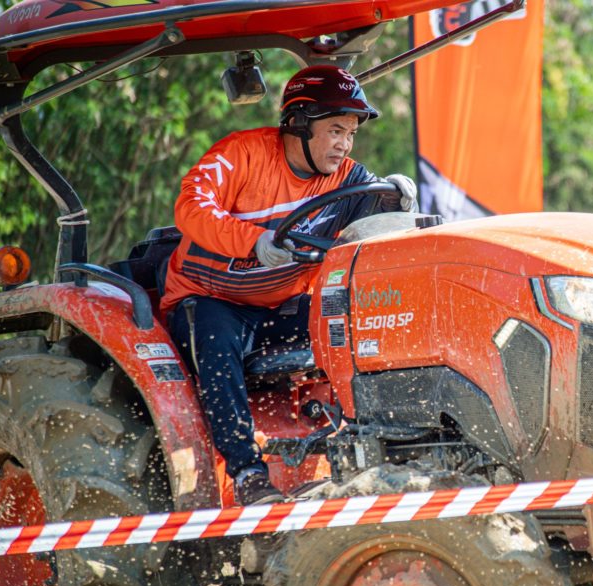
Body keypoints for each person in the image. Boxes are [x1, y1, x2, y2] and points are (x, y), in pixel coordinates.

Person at [160, 65, 417, 505]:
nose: (344, 144)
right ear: (298, 124)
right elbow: (191, 206)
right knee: (218, 338)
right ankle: (247, 476)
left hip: (282, 306)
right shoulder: (240, 155)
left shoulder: (351, 178)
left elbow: (381, 220)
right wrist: (253, 241)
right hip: (209, 300)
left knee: (359, 322)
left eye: (351, 133)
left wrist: (399, 195)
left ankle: (376, 450)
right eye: (335, 130)